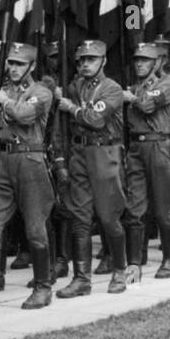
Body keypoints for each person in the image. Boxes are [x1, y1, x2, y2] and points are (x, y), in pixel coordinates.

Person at [0, 42, 56, 311]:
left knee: (34, 228)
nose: (13, 68)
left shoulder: (41, 92)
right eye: (11, 63)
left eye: (19, 64)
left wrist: (4, 102)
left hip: (30, 160)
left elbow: (25, 115)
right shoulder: (0, 93)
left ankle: (43, 287)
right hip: (1, 161)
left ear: (31, 66)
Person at [52, 39, 128, 297]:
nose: (85, 64)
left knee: (108, 217)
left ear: (103, 61)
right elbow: (61, 127)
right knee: (80, 218)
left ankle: (120, 270)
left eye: (91, 59)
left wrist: (71, 107)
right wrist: (61, 158)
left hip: (104, 152)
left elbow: (95, 119)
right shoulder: (74, 87)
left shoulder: (113, 89)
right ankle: (81, 278)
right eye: (82, 60)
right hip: (79, 154)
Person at [122, 42, 170, 277]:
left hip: (158, 147)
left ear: (157, 63)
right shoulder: (136, 87)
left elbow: (147, 105)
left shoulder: (168, 83)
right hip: (137, 147)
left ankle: (169, 258)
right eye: (137, 60)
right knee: (134, 210)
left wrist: (131, 98)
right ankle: (134, 267)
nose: (139, 64)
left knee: (161, 209)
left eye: (145, 60)